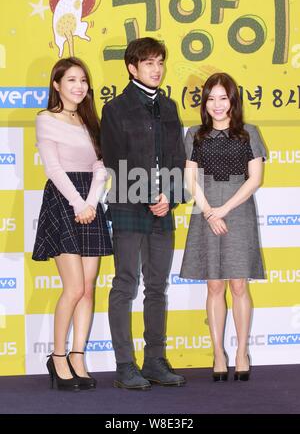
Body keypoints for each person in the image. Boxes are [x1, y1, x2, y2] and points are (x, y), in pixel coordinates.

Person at [100, 37, 186, 390]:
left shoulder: (168, 107)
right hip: (128, 206)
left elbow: (178, 158)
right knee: (125, 284)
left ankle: (154, 361)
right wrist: (150, 194)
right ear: (132, 67)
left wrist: (170, 195)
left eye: (160, 62)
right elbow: (114, 161)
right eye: (149, 62)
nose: (156, 69)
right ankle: (125, 365)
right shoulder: (115, 109)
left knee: (157, 287)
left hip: (162, 208)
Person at [32, 57, 112, 391]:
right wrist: (78, 203)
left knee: (89, 288)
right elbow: (52, 168)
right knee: (74, 287)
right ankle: (58, 356)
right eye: (71, 81)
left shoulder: (91, 120)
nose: (79, 87)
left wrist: (92, 203)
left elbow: (100, 166)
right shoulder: (46, 119)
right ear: (57, 85)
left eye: (83, 81)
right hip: (64, 201)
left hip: (90, 201)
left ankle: (79, 355)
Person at [180, 72, 266, 382]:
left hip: (238, 209)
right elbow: (189, 178)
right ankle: (218, 353)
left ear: (233, 101)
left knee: (239, 285)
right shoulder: (194, 135)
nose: (217, 105)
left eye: (223, 98)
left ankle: (242, 351)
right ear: (204, 103)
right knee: (214, 285)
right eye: (211, 98)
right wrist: (208, 212)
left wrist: (223, 210)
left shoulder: (248, 134)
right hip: (206, 208)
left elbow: (255, 179)